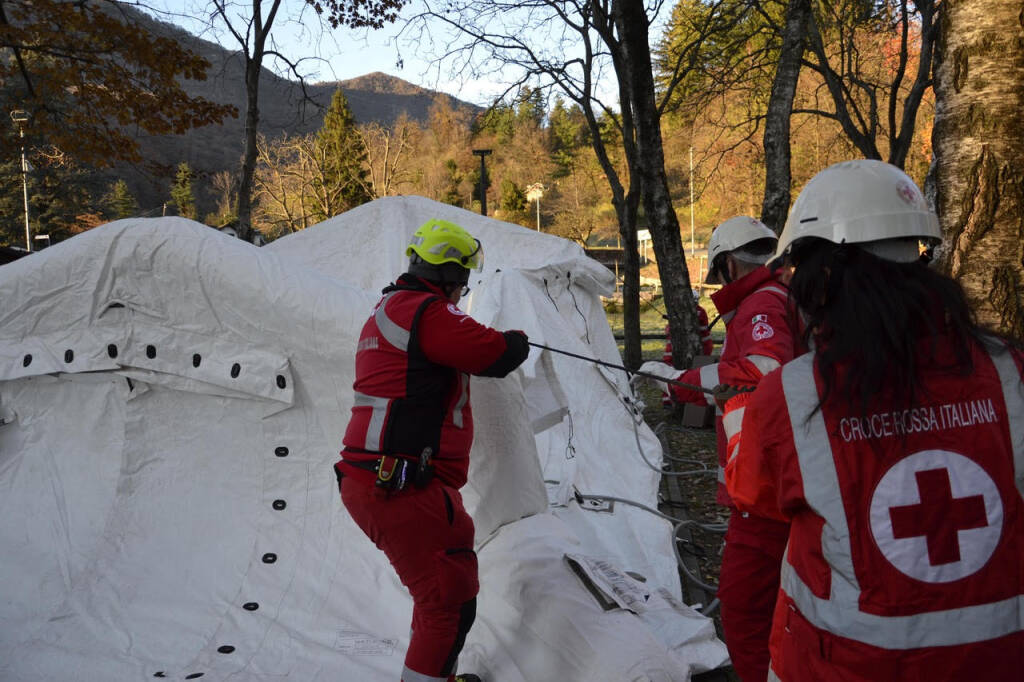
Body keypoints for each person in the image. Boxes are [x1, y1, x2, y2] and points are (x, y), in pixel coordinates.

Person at [725, 160, 1024, 681]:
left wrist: (735, 416)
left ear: (823, 275)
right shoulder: (1011, 373)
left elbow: (752, 514)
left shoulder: (794, 397)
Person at [335, 218, 529, 682]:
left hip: (380, 481)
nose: (465, 286)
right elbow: (495, 354)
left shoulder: (390, 309)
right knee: (447, 603)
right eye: (464, 274)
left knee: (440, 596)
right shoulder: (427, 312)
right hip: (401, 488)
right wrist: (519, 341)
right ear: (449, 273)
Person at [638, 216, 798, 682]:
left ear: (728, 263)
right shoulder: (780, 300)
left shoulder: (762, 305)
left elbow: (767, 368)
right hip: (774, 478)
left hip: (767, 488)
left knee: (745, 610)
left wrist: (682, 382)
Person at [660, 290, 714, 406]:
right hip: (674, 349)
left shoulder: (697, 312)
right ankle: (668, 400)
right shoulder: (691, 312)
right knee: (669, 371)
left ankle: (675, 399)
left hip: (703, 348)